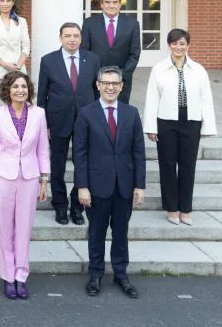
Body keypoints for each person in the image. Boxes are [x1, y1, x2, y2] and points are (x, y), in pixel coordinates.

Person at [74, 66, 146, 299]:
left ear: (122, 86)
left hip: (124, 185)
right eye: (106, 82)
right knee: (96, 232)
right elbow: (80, 153)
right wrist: (82, 186)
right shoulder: (86, 113)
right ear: (98, 85)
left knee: (121, 233)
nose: (110, 87)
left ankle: (121, 274)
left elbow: (138, 152)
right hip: (96, 186)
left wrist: (140, 185)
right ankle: (95, 274)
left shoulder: (131, 113)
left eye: (115, 83)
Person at [0, 71, 49, 300]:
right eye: (15, 87)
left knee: (24, 228)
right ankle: (7, 276)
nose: (20, 90)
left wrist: (44, 180)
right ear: (7, 90)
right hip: (2, 177)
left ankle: (21, 276)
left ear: (29, 89)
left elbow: (43, 149)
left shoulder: (39, 114)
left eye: (24, 86)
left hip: (29, 177)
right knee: (5, 229)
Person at [144, 29, 217, 225]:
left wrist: (207, 126)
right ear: (169, 45)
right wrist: (151, 126)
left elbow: (205, 99)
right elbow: (152, 99)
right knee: (167, 165)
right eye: (174, 43)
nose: (178, 47)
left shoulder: (199, 70)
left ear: (188, 45)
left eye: (182, 43)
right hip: (166, 122)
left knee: (188, 166)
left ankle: (185, 209)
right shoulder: (158, 69)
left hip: (191, 122)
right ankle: (171, 208)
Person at [37, 22, 100, 226]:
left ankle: (77, 206)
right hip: (57, 119)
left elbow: (97, 91)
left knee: (85, 162)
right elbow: (42, 95)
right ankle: (60, 205)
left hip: (86, 120)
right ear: (60, 38)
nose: (72, 39)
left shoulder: (92, 59)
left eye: (75, 35)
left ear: (81, 38)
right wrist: (43, 122)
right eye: (67, 36)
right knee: (57, 164)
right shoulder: (48, 61)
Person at [81, 0, 141, 103]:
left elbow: (135, 54)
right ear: (102, 4)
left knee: (120, 114)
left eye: (115, 2)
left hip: (121, 80)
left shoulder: (132, 24)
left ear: (120, 5)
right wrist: (95, 75)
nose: (111, 5)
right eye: (107, 2)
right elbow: (84, 51)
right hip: (95, 80)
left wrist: (121, 75)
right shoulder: (89, 23)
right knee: (96, 115)